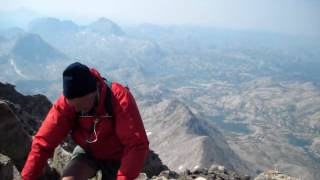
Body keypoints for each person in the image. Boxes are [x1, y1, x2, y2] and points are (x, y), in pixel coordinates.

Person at [21, 62, 149, 180]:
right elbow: (43, 142)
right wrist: (27, 178)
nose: (77, 109)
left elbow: (136, 145)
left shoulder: (119, 99)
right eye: (73, 105)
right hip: (88, 152)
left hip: (118, 158)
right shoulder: (67, 104)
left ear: (95, 91)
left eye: (82, 105)